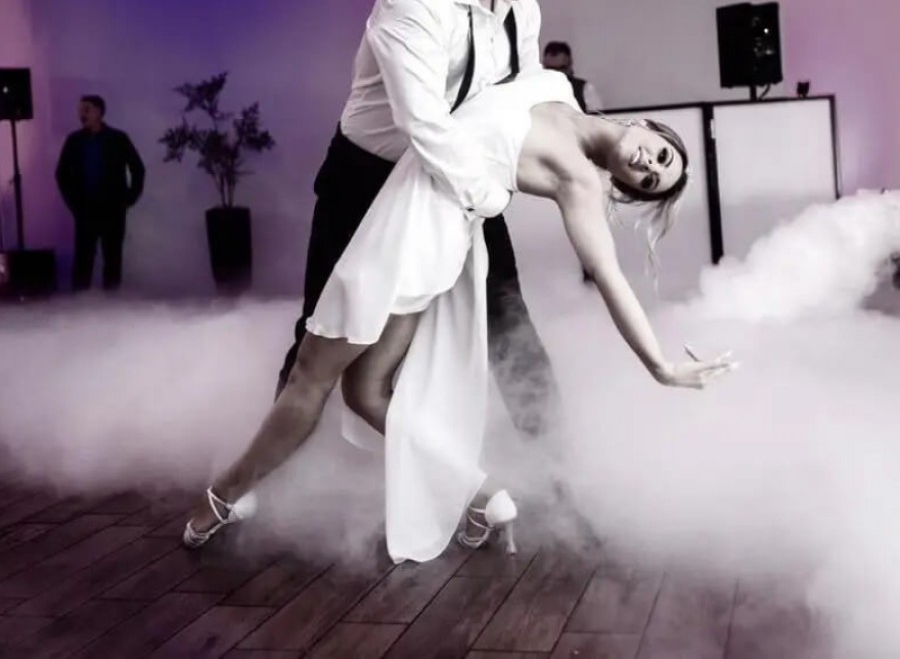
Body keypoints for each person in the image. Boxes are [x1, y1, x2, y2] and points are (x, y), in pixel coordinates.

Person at [182, 68, 736, 562]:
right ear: (650, 128)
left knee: (311, 376)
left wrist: (661, 366)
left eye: (649, 181)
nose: (647, 166)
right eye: (660, 157)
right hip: (416, 224)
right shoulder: (555, 88)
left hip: (411, 235)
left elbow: (608, 274)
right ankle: (483, 495)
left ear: (626, 189)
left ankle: (220, 501)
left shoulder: (579, 180)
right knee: (366, 394)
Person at [275, 0, 579, 451]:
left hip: (459, 177)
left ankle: (560, 473)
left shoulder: (522, 6)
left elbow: (523, 93)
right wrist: (490, 197)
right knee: (320, 329)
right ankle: (274, 482)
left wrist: (588, 150)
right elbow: (424, 125)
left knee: (508, 320)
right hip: (366, 177)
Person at [55, 94, 145, 291]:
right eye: (80, 109)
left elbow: (137, 168)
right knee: (83, 258)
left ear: (99, 112)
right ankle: (79, 302)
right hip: (85, 208)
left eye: (86, 109)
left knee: (112, 257)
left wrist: (129, 198)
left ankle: (111, 302)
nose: (82, 114)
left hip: (113, 208)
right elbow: (62, 174)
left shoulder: (118, 139)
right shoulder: (74, 140)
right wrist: (73, 203)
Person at [542, 41, 603, 112]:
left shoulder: (585, 89)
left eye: (561, 69)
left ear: (569, 66)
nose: (556, 74)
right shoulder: (535, 90)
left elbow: (598, 116)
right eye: (551, 69)